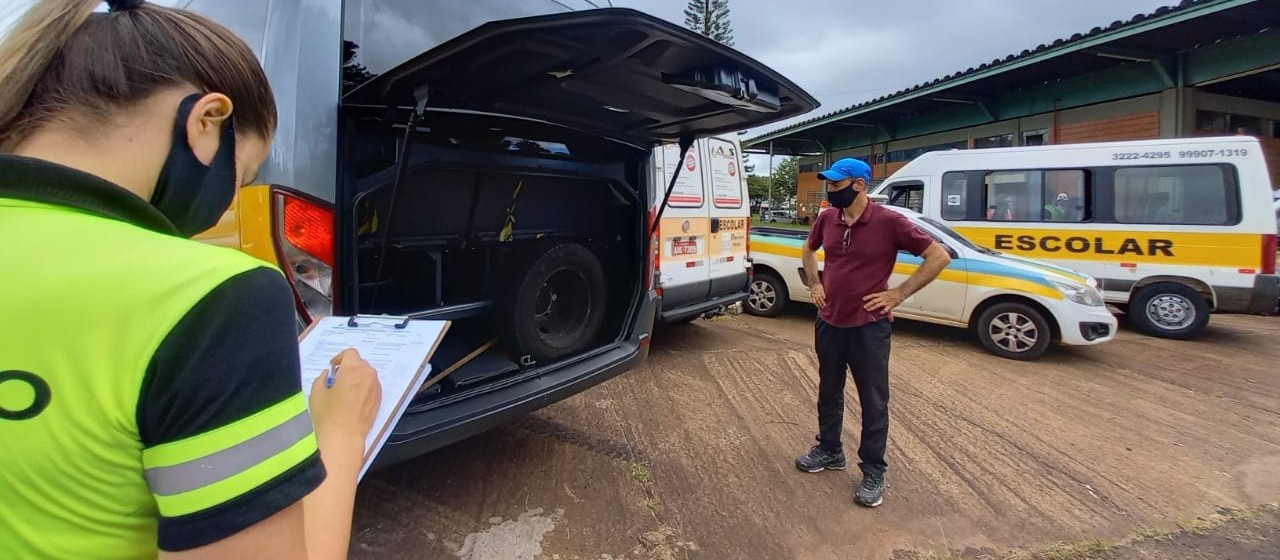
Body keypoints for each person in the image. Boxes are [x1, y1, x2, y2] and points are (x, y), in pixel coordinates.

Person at [0, 1, 381, 559]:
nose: (228, 198)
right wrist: (342, 433)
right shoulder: (213, 299)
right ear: (206, 122)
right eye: (243, 174)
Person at [795, 157, 951, 507]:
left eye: (836, 185)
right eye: (830, 185)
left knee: (874, 402)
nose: (830, 191)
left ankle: (873, 470)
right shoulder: (827, 219)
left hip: (869, 327)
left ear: (859, 185)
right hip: (830, 321)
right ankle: (830, 450)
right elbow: (808, 248)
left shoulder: (890, 221)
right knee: (829, 391)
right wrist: (815, 284)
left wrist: (899, 293)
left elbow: (938, 256)